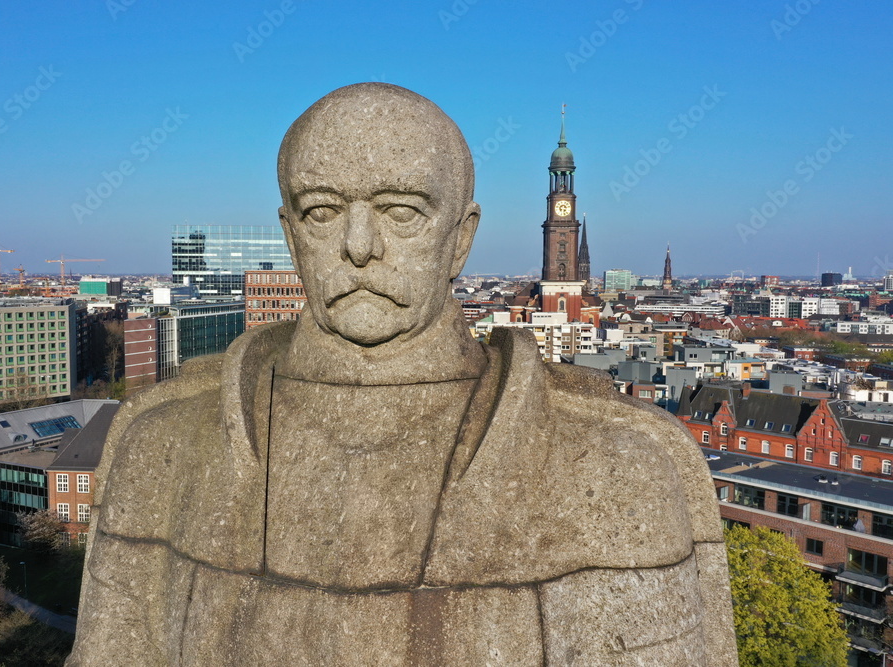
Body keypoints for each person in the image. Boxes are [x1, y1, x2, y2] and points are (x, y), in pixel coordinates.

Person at [67, 83, 738, 666]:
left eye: (402, 211)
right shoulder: (163, 445)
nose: (360, 246)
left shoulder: (618, 471)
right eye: (323, 210)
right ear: (292, 232)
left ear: (462, 236)